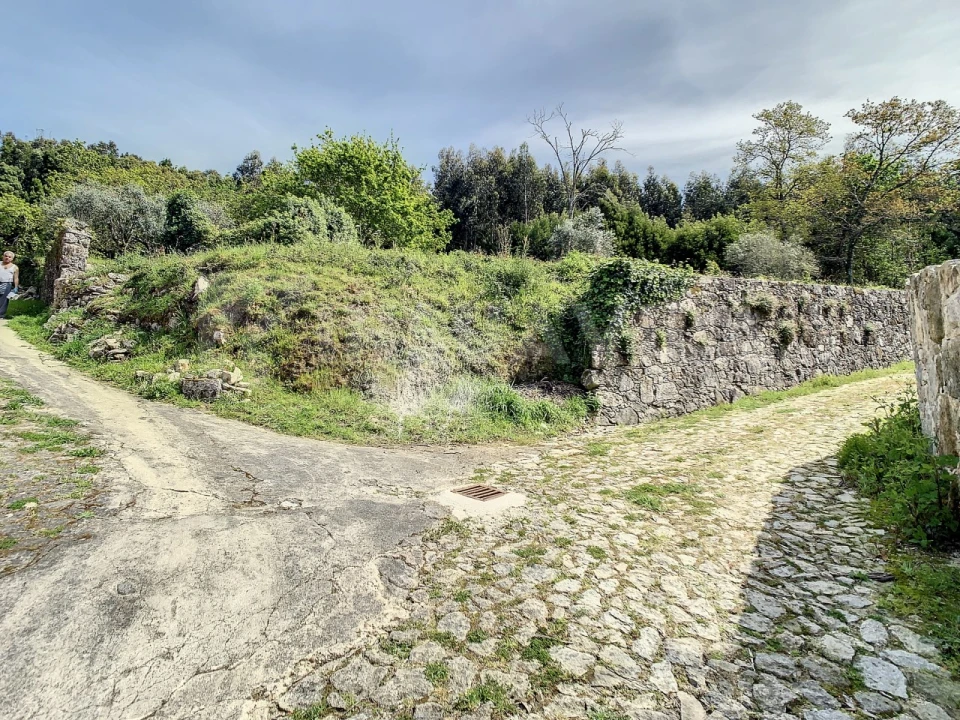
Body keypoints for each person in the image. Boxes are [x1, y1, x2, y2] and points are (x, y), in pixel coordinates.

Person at [0, 251, 20, 319]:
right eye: (6, 256)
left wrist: (16, 287)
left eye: (9, 257)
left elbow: (16, 278)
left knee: (4, 300)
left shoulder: (15, 267)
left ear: (12, 259)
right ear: (3, 256)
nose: (7, 258)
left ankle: (1, 315)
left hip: (7, 284)